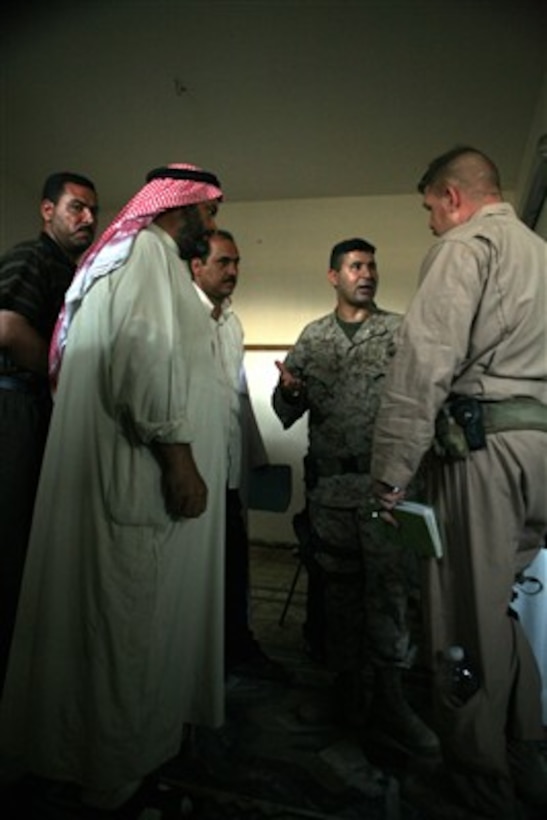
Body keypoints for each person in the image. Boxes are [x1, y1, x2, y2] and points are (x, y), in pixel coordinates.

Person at [0, 163, 229, 813]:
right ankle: (115, 772)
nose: (209, 227)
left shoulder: (112, 261)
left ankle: (83, 756)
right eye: (207, 213)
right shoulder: (148, 257)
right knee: (126, 630)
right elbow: (144, 367)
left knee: (99, 628)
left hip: (112, 485)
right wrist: (180, 460)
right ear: (175, 209)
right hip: (135, 484)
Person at [370, 146, 547, 818]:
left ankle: (476, 781)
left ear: (450, 196)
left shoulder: (467, 246)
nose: (430, 225)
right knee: (502, 611)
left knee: (463, 621)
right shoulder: (537, 250)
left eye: (427, 210)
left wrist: (389, 475)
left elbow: (423, 363)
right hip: (536, 455)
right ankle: (523, 746)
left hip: (483, 454)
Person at [271, 238, 439, 757]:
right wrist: (291, 392)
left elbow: (422, 398)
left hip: (383, 489)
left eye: (371, 266)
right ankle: (347, 694)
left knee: (389, 593)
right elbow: (285, 408)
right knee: (338, 595)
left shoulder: (398, 331)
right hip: (330, 494)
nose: (366, 274)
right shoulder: (314, 337)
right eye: (355, 266)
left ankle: (391, 700)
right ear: (334, 276)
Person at [0, 171, 98, 692]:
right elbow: (9, 330)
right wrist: (69, 381)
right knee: (12, 544)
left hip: (42, 409)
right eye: (75, 208)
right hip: (14, 406)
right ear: (47, 211)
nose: (87, 218)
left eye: (91, 211)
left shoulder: (72, 270)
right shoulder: (30, 257)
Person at [188, 229, 289, 682]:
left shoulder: (231, 324)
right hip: (190, 470)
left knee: (232, 569)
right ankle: (192, 660)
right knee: (191, 579)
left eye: (237, 263)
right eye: (223, 262)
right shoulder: (179, 316)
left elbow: (236, 402)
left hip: (225, 475)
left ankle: (236, 648)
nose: (233, 271)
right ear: (196, 265)